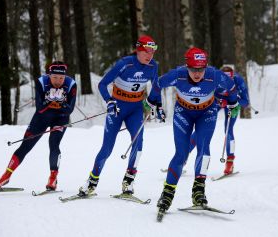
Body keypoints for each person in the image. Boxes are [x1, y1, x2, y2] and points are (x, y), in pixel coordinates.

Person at [149, 47, 238, 212]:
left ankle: (198, 191)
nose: (197, 74)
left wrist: (233, 103)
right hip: (183, 112)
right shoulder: (178, 74)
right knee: (181, 153)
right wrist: (154, 101)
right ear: (187, 67)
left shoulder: (214, 75)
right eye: (193, 69)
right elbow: (158, 83)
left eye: (200, 69)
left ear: (206, 67)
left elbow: (231, 87)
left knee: (204, 149)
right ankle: (167, 194)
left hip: (207, 112)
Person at [78, 35, 165, 197]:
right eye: (146, 51)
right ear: (138, 50)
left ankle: (129, 181)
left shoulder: (153, 66)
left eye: (152, 52)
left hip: (136, 109)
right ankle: (92, 181)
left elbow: (156, 86)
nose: (150, 55)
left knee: (138, 144)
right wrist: (109, 101)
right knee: (107, 148)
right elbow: (102, 84)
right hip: (118, 108)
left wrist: (157, 104)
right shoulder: (125, 64)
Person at [0, 61, 77, 191]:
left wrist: (62, 103)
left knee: (54, 144)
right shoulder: (41, 82)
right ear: (49, 75)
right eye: (55, 77)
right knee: (25, 145)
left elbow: (69, 110)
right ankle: (5, 176)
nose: (58, 81)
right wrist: (49, 100)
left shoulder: (71, 84)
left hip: (60, 118)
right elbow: (40, 108)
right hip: (42, 117)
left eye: (61, 78)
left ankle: (53, 178)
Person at [188, 65, 250, 175]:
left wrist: (236, 101)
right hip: (216, 103)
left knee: (228, 129)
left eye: (229, 79)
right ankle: (183, 157)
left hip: (232, 105)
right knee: (201, 129)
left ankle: (230, 162)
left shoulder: (238, 80)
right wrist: (220, 101)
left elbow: (245, 102)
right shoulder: (213, 79)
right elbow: (206, 95)